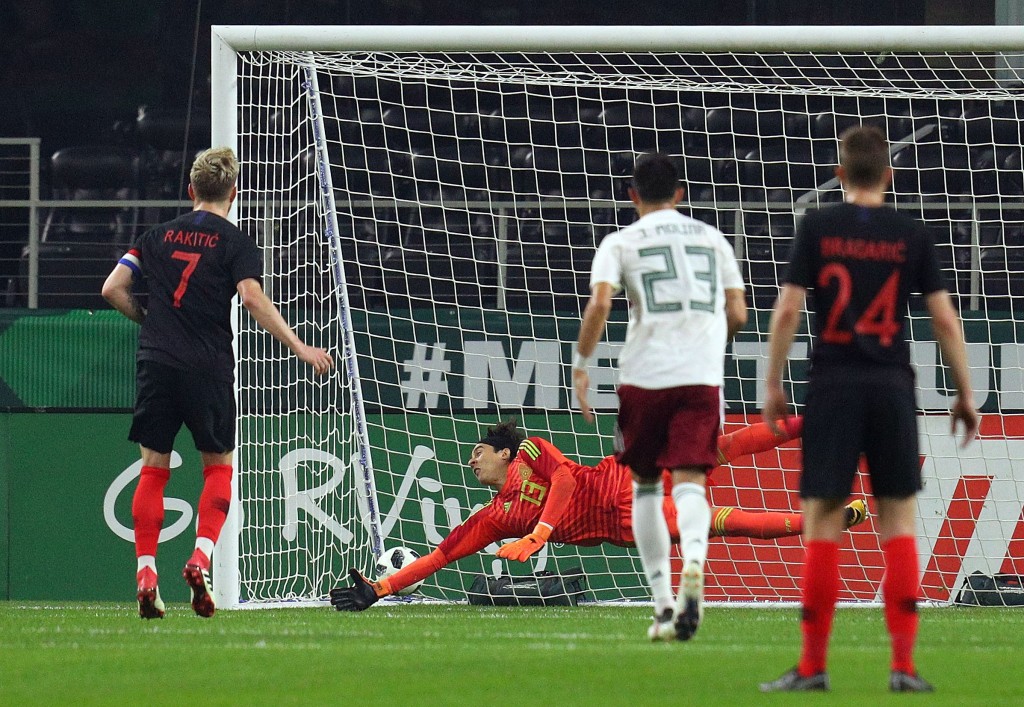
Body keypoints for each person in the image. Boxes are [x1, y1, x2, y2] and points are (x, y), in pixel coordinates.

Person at [758, 125, 979, 693]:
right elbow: (944, 318)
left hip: (832, 385)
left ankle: (812, 667)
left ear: (838, 174)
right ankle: (903, 666)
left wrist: (773, 382)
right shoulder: (911, 233)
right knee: (898, 521)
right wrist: (964, 391)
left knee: (823, 521)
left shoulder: (817, 227)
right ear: (890, 174)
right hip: (890, 386)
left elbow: (787, 311)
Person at [101, 147, 334, 620]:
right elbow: (251, 298)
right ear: (234, 193)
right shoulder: (235, 241)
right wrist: (300, 346)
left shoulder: (155, 236)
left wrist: (148, 320)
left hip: (156, 362)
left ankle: (146, 572)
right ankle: (200, 558)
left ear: (190, 189)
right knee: (218, 468)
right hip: (207, 366)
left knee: (153, 469)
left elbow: (112, 288)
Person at [330, 418, 868, 613]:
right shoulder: (495, 519)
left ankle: (813, 421)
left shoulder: (531, 452)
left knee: (716, 448)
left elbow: (565, 480)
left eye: (478, 451)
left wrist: (540, 534)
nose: (471, 461)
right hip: (623, 524)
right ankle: (822, 521)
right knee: (717, 522)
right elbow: (440, 557)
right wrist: (382, 588)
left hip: (621, 475)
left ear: (504, 453)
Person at [572, 152, 747, 641]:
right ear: (680, 193)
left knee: (645, 486)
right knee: (691, 483)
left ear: (632, 195)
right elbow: (738, 312)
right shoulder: (712, 238)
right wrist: (707, 341)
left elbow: (600, 303)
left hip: (644, 377)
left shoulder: (620, 242)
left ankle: (663, 603)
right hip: (699, 377)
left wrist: (581, 364)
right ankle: (695, 559)